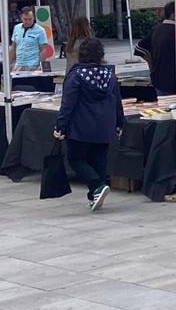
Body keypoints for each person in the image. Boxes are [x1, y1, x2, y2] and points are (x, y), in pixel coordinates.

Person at [52, 37, 124, 212]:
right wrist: (119, 123)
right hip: (105, 126)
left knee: (76, 159)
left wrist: (60, 126)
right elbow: (117, 102)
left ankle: (97, 186)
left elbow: (67, 104)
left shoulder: (76, 76)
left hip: (81, 127)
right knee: (98, 160)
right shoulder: (109, 75)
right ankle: (95, 196)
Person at [8, 6, 50, 72]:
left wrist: (40, 65)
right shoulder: (16, 28)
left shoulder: (40, 30)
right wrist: (9, 63)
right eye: (25, 19)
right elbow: (13, 47)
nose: (28, 22)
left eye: (30, 19)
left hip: (33, 65)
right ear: (21, 17)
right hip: (19, 64)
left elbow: (43, 50)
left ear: (33, 18)